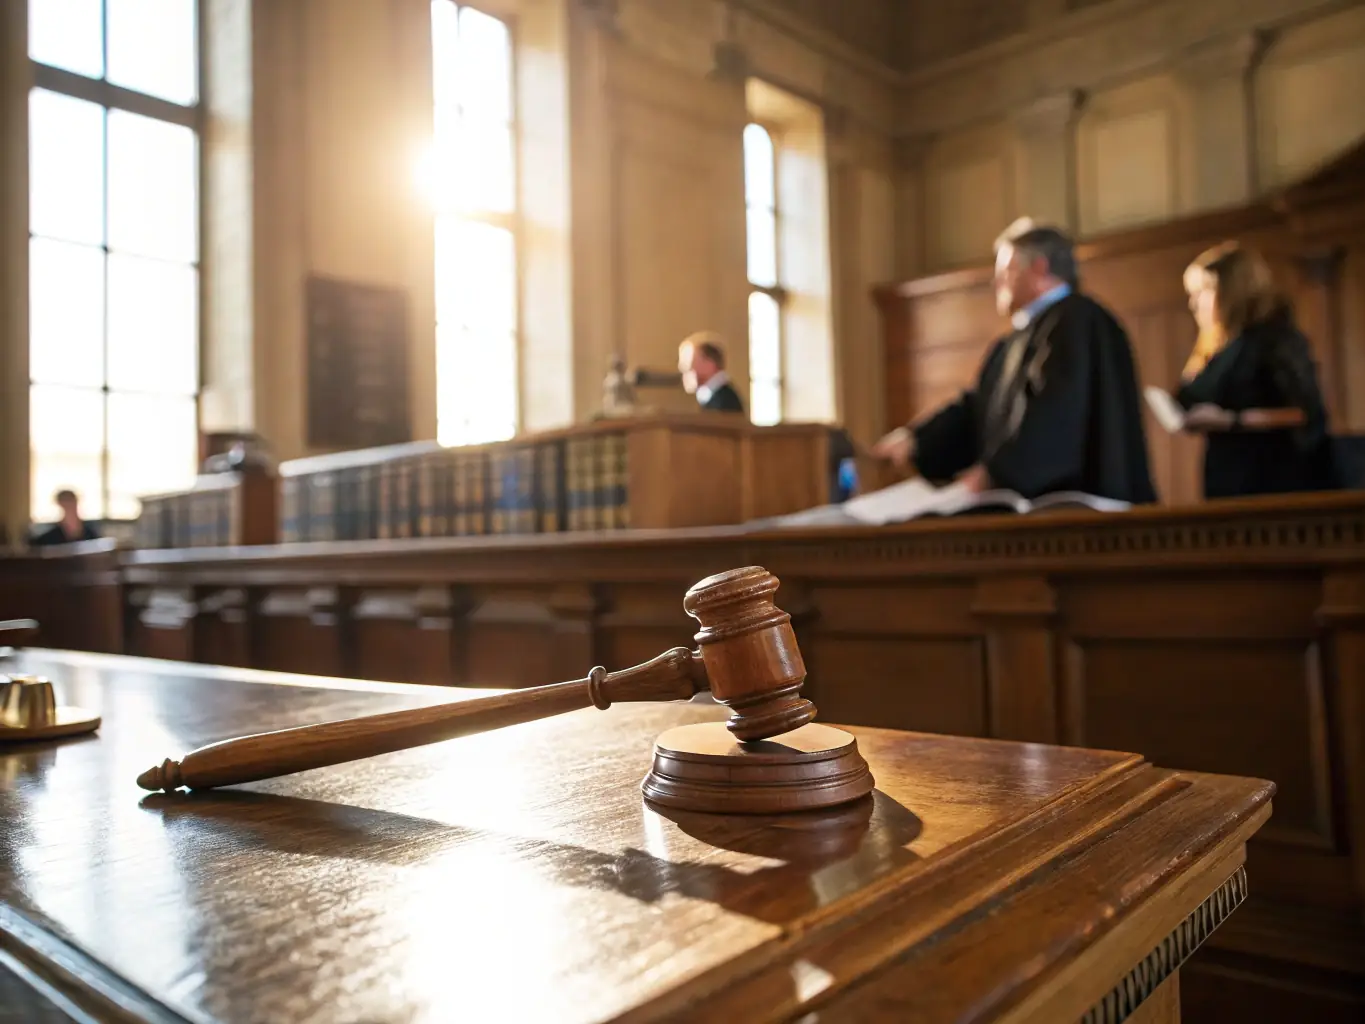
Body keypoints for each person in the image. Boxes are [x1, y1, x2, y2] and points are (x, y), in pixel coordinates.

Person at [871, 218, 1157, 504]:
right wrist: (916, 441)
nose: (996, 282)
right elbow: (978, 409)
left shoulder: (1077, 322)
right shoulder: (1014, 342)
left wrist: (998, 474)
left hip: (1079, 514)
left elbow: (1056, 415)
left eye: (1006, 270)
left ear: (1039, 268)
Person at [1175, 242, 1337, 498]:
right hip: (1227, 484)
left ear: (1232, 290)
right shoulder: (1223, 348)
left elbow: (1303, 412)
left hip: (1273, 482)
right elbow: (1189, 395)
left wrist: (1232, 421)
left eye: (1204, 291)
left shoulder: (1274, 338)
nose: (1195, 304)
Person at [678, 333, 744, 414]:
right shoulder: (711, 399)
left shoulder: (724, 402)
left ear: (709, 364)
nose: (682, 369)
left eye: (690, 363)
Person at [31, 489, 101, 547]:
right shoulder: (49, 537)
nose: (69, 505)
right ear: (60, 504)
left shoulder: (90, 533)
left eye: (70, 501)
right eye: (66, 501)